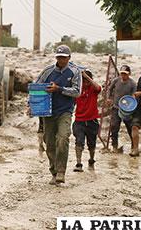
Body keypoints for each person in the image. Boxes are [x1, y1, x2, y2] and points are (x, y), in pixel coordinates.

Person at [35, 45, 82, 184]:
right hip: (48, 112)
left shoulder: (75, 72)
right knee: (49, 143)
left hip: (65, 112)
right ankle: (53, 171)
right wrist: (31, 105)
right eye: (59, 57)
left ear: (69, 58)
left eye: (64, 57)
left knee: (63, 139)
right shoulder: (47, 71)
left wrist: (59, 89)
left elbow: (77, 92)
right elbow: (36, 88)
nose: (61, 60)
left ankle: (61, 171)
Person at [72, 70, 101, 172]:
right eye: (83, 80)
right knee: (79, 142)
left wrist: (87, 77)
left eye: (87, 80)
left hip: (92, 121)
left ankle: (92, 159)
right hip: (79, 120)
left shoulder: (93, 89)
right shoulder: (77, 90)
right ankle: (78, 163)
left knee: (92, 143)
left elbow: (98, 87)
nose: (85, 83)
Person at [107, 65, 136, 153]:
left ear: (129, 74)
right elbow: (109, 89)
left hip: (127, 109)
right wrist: (109, 98)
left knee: (130, 127)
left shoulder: (132, 83)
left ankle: (133, 146)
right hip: (116, 107)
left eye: (125, 74)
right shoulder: (116, 80)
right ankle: (114, 146)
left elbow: (134, 96)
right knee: (114, 127)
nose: (123, 76)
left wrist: (131, 104)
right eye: (122, 74)